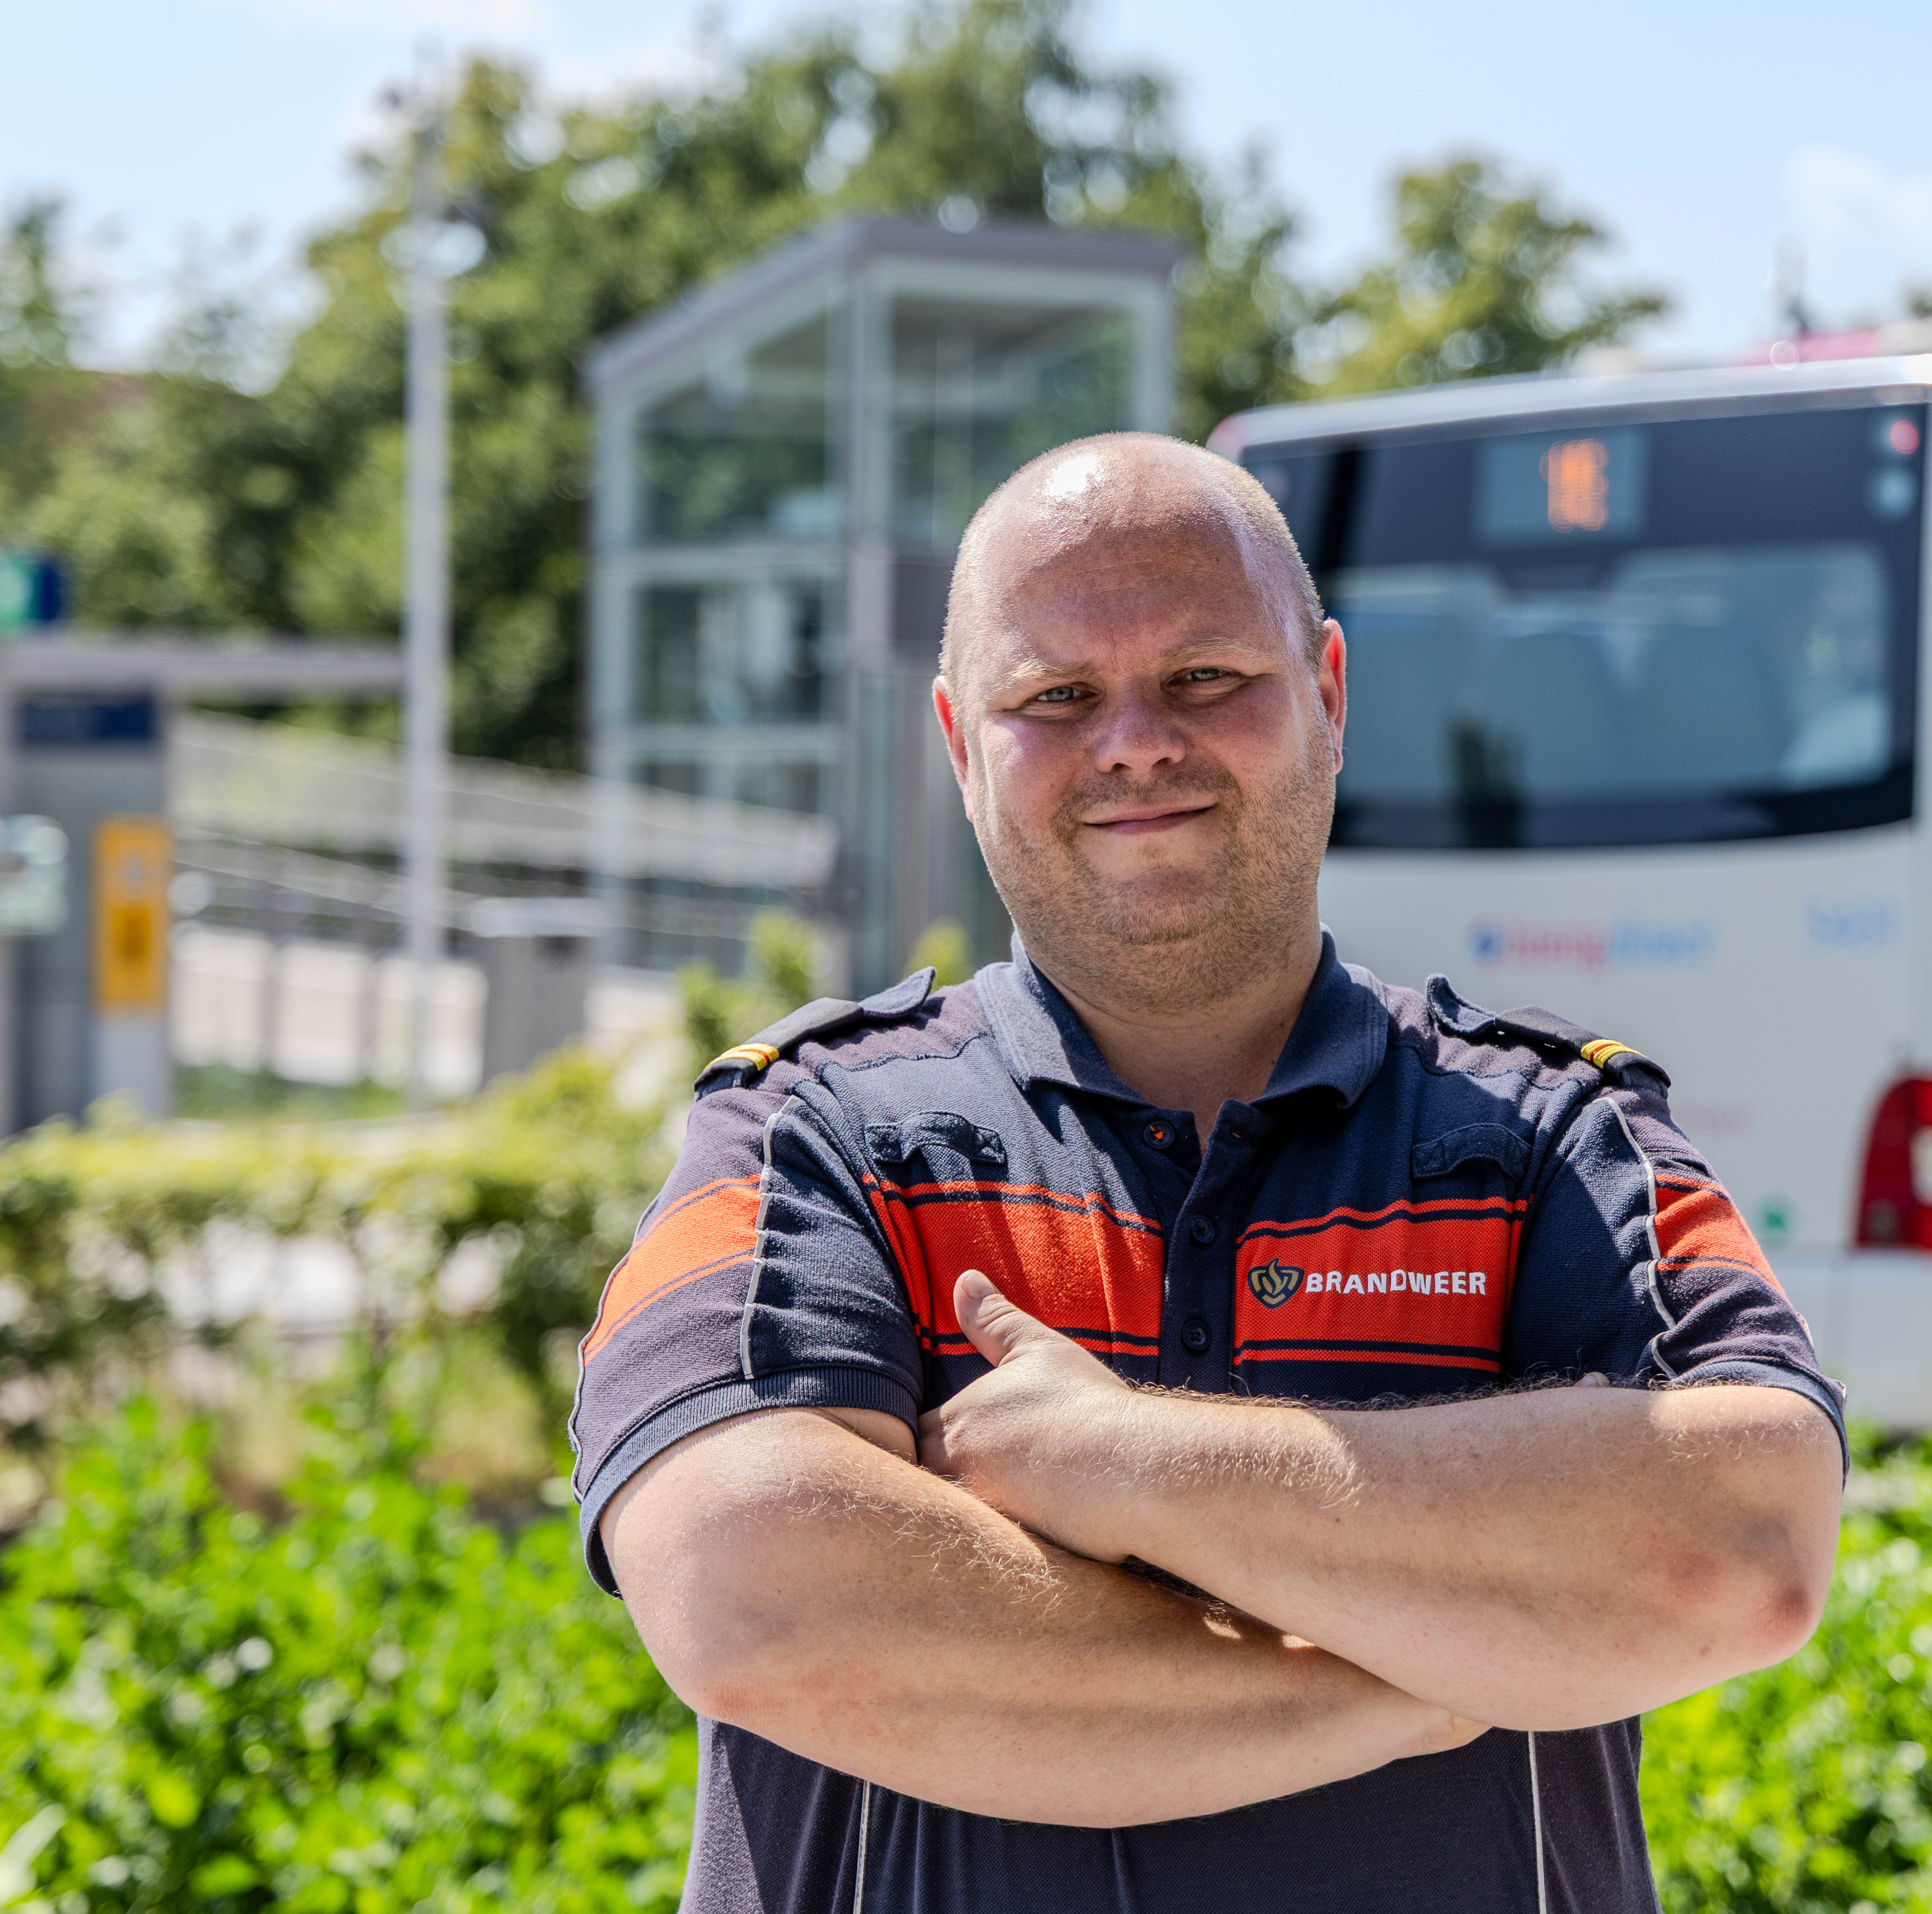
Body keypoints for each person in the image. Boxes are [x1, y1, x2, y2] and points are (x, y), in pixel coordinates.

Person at [570, 431, 1845, 1913]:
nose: (1135, 742)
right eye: (1054, 697)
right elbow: (752, 1593)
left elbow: (1742, 1544)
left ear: (1329, 695)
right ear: (962, 745)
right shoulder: (808, 1133)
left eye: (1204, 678)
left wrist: (1119, 1463)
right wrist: (1428, 1678)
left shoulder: (1554, 1131)